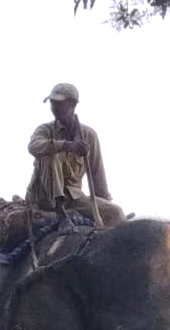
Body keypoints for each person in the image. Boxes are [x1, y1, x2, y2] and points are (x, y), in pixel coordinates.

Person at [25, 83, 128, 232]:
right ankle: (61, 215)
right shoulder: (44, 130)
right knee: (51, 154)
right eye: (52, 103)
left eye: (59, 103)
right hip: (44, 198)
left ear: (73, 104)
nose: (54, 107)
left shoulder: (89, 136)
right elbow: (33, 146)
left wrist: (104, 206)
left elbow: (97, 173)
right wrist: (66, 145)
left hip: (74, 198)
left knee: (116, 212)